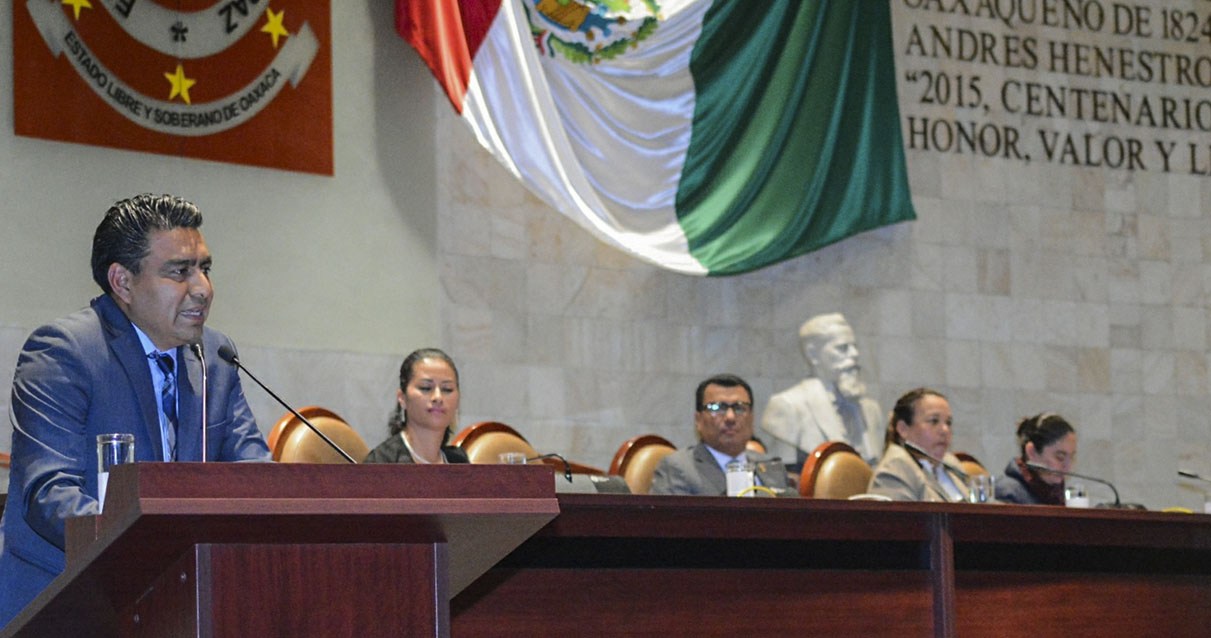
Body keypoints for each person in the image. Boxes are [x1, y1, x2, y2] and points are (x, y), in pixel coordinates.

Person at [0, 194, 271, 626]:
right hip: (64, 604)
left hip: (178, 600)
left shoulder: (215, 357)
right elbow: (49, 492)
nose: (202, 288)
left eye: (205, 268)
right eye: (179, 272)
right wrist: (157, 545)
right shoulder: (65, 352)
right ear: (122, 282)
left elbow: (255, 476)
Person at [761, 313, 883, 468]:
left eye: (855, 347)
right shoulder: (787, 406)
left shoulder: (871, 410)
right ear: (813, 354)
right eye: (842, 348)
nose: (854, 354)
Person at [650, 374, 791, 496]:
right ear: (698, 420)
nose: (730, 417)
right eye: (717, 408)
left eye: (739, 408)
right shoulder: (677, 468)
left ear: (752, 418)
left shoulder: (772, 466)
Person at [363, 348, 469, 464]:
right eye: (426, 388)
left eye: (447, 389)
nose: (438, 397)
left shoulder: (459, 461)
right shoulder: (381, 463)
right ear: (402, 397)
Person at [867, 388, 969, 502]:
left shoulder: (951, 465)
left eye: (948, 423)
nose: (945, 430)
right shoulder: (895, 468)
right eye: (934, 421)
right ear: (903, 429)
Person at [995, 413, 1076, 505]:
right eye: (1060, 457)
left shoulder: (1056, 495)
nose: (1068, 466)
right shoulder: (1006, 493)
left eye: (1072, 457)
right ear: (1032, 452)